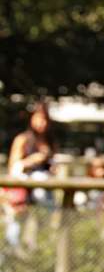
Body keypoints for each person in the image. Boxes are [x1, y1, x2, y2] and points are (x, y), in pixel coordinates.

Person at [3, 102, 57, 248]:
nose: (42, 123)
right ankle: (10, 258)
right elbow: (14, 167)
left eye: (45, 119)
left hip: (42, 196)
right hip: (22, 191)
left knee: (42, 226)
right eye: (39, 118)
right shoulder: (23, 140)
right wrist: (31, 161)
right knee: (15, 228)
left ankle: (40, 250)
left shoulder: (49, 143)